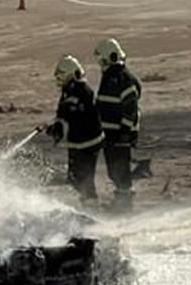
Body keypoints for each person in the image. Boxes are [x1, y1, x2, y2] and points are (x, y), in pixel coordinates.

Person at [93, 37, 143, 210]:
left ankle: (125, 204)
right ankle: (121, 199)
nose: (101, 64)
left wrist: (124, 133)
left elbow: (130, 108)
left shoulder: (123, 79)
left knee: (120, 169)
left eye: (103, 59)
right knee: (114, 170)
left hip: (120, 135)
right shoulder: (109, 77)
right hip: (110, 134)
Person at [47, 56, 102, 201]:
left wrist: (56, 128)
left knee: (84, 180)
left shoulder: (83, 92)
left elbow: (73, 115)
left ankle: (92, 206)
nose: (59, 80)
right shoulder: (68, 91)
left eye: (61, 76)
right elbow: (62, 111)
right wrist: (57, 125)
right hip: (77, 143)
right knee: (75, 178)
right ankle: (88, 201)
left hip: (88, 143)